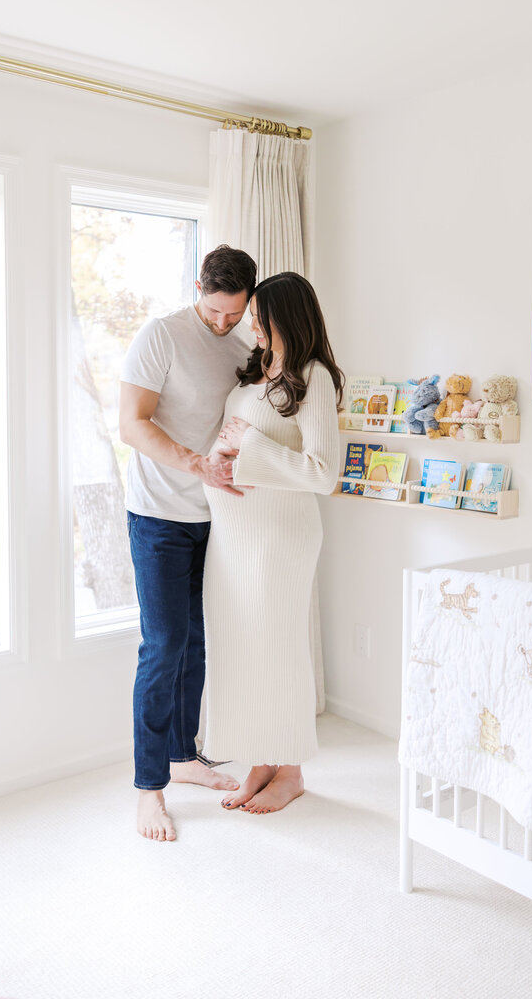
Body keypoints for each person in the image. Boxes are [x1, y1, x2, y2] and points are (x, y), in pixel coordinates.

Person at [119, 244, 257, 842]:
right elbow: (132, 423)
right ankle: (149, 788)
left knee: (197, 641)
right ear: (199, 287)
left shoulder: (243, 343)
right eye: (216, 309)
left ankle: (182, 755)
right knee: (163, 646)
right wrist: (197, 464)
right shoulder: (162, 335)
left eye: (235, 312)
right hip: (158, 515)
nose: (223, 321)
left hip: (216, 517)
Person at [201, 271, 344, 813]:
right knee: (240, 647)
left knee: (276, 648)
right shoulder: (255, 370)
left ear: (289, 317)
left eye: (262, 319)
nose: (253, 328)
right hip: (233, 535)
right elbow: (232, 441)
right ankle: (261, 760)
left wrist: (251, 443)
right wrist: (220, 459)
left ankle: (291, 770)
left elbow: (323, 472)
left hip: (279, 538)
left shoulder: (313, 377)